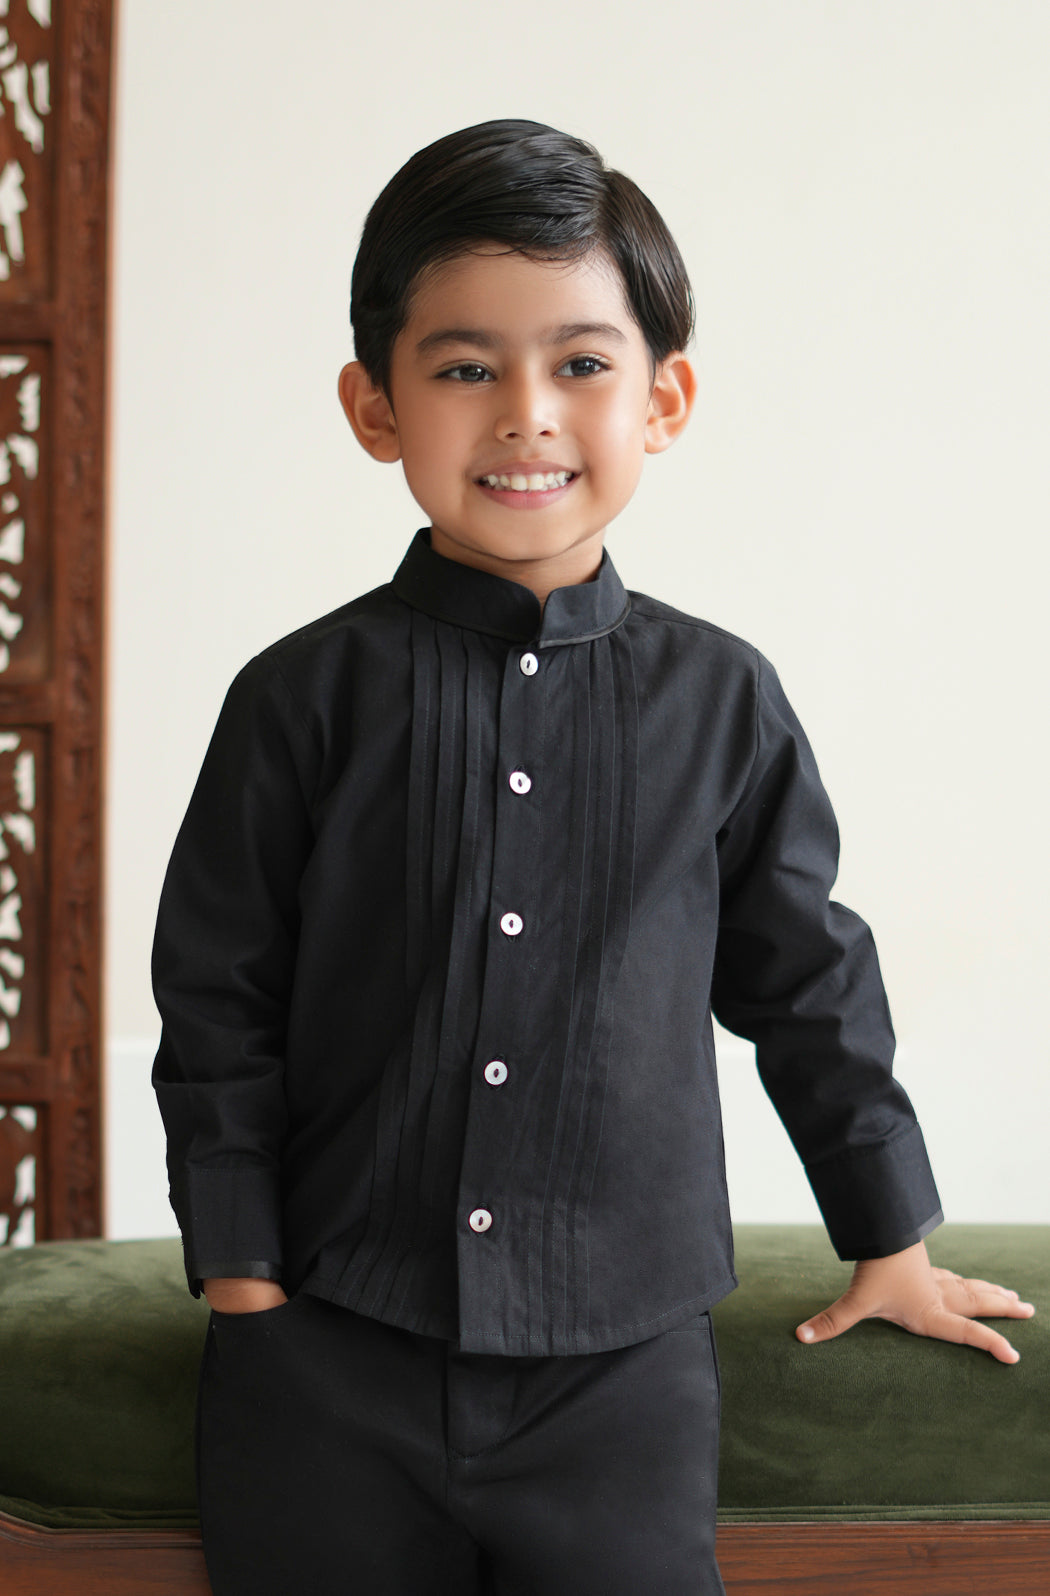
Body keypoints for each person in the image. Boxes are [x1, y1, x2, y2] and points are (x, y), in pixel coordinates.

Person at [151, 119, 1033, 1596]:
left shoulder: (722, 697)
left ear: (663, 398)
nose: (525, 417)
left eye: (578, 364)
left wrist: (889, 1234)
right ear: (374, 406)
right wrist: (243, 1278)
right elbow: (219, 996)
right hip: (330, 1354)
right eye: (463, 369)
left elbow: (804, 976)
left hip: (622, 1371)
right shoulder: (298, 698)